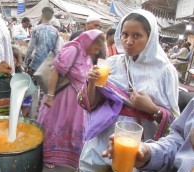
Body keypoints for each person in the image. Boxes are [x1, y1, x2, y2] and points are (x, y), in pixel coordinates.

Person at [77, 9, 179, 172]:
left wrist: (151, 109)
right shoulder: (112, 63)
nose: (128, 41)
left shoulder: (165, 72)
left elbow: (176, 124)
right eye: (125, 34)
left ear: (150, 38)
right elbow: (90, 104)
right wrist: (91, 83)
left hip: (138, 145)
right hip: (104, 139)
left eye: (136, 35)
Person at [38, 30, 105, 169]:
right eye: (96, 48)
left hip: (75, 103)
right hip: (60, 99)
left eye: (98, 49)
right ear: (89, 42)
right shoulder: (73, 49)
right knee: (54, 126)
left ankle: (69, 159)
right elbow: (54, 71)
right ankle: (47, 156)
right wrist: (50, 96)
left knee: (71, 128)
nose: (96, 51)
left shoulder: (86, 55)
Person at [102, 98, 194, 172]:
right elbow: (179, 141)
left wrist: (154, 110)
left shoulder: (166, 74)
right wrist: (150, 153)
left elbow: (172, 115)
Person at [25, 7, 59, 73]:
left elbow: (30, 48)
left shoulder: (36, 29)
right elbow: (56, 51)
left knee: (35, 81)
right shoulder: (55, 31)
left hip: (37, 63)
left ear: (42, 16)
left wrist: (25, 61)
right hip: (49, 64)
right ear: (51, 18)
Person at [13, 45, 32, 117]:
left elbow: (26, 104)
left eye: (12, 60)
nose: (9, 63)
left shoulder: (23, 78)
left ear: (17, 62)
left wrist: (22, 119)